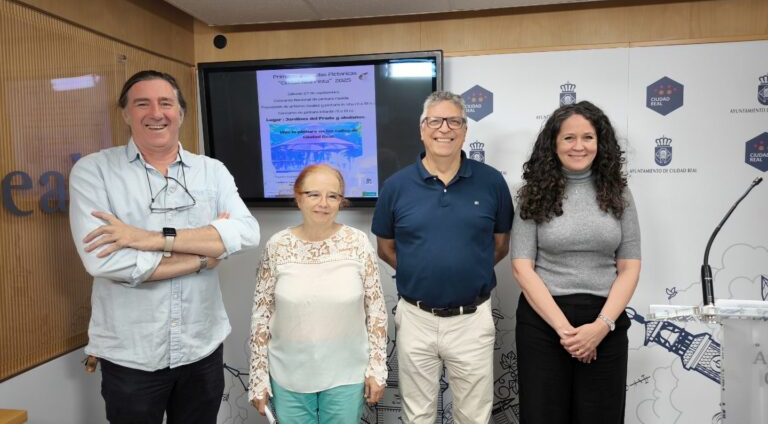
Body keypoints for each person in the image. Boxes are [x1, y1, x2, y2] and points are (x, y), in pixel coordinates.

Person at [68, 70, 260, 424]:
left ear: (181, 113)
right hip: (132, 355)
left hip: (201, 348)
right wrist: (204, 257)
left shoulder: (212, 171)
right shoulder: (94, 172)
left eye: (165, 103)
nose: (156, 113)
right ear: (126, 114)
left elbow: (247, 233)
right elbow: (105, 263)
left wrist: (152, 239)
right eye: (142, 103)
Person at [371, 91, 514, 423]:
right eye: (434, 120)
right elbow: (385, 248)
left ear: (464, 130)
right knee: (417, 415)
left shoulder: (491, 182)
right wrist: (423, 273)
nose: (444, 129)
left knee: (473, 417)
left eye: (454, 121)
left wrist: (465, 271)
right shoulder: (396, 186)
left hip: (472, 319)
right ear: (422, 129)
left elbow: (501, 244)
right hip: (416, 318)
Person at [511, 100, 641, 423]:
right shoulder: (533, 193)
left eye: (588, 137)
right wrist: (566, 332)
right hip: (544, 324)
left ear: (601, 143)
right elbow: (521, 266)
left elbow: (630, 266)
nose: (579, 146)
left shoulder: (619, 193)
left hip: (604, 325)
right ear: (554, 144)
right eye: (569, 138)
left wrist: (600, 327)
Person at [249, 164, 388, 422]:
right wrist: (258, 377)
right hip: (288, 375)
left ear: (340, 202)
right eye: (314, 194)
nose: (323, 203)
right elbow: (261, 316)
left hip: (346, 374)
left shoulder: (357, 243)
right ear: (298, 197)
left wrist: (377, 368)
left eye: (332, 196)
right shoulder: (277, 246)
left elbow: (376, 311)